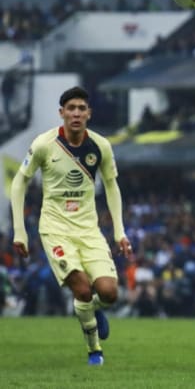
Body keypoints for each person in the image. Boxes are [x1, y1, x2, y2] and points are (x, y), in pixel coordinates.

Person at [10, 86, 132, 366]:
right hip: (55, 229)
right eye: (71, 108)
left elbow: (112, 186)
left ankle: (93, 309)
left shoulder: (100, 146)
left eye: (81, 108)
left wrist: (119, 231)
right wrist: (20, 230)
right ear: (61, 113)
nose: (76, 113)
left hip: (89, 230)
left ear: (89, 113)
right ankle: (95, 351)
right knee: (82, 289)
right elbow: (20, 181)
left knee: (109, 293)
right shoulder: (44, 144)